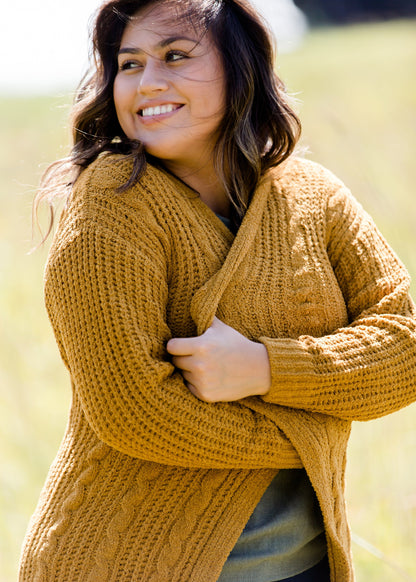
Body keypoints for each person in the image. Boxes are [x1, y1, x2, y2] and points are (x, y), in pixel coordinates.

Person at [19, 0, 416, 581]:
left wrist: (265, 369)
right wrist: (317, 427)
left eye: (175, 56)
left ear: (239, 68)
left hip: (304, 567)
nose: (146, 82)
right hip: (125, 564)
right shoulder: (111, 205)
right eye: (129, 65)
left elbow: (405, 343)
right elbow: (136, 413)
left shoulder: (312, 196)